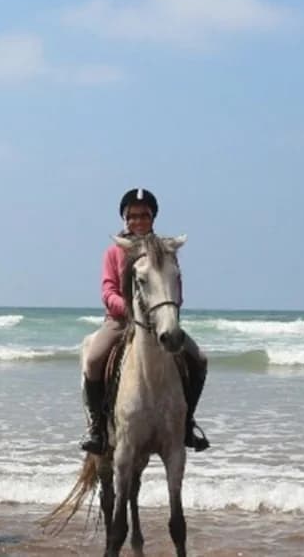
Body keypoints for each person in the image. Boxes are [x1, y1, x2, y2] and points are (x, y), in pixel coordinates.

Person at [80, 188, 210, 455]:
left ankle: (187, 422)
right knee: (93, 359)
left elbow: (175, 287)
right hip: (120, 321)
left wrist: (166, 311)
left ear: (153, 218)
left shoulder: (164, 250)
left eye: (144, 216)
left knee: (200, 359)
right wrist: (129, 310)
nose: (138, 221)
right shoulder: (115, 252)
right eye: (132, 216)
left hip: (159, 321)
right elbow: (108, 291)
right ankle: (97, 428)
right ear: (125, 219)